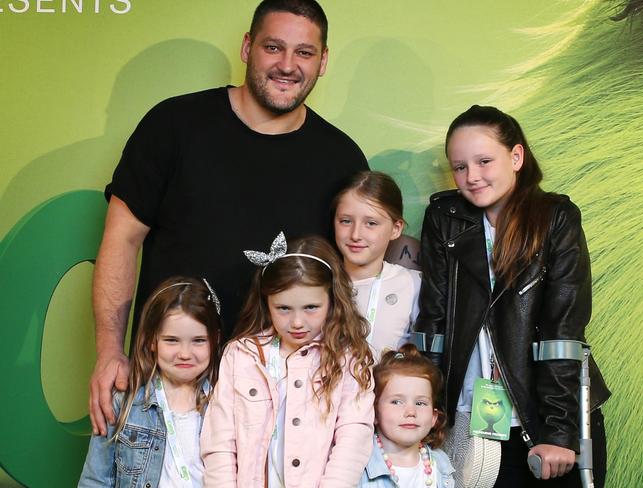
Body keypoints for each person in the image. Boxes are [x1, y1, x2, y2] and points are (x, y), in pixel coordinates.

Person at [90, 0, 368, 438]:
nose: (288, 66)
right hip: (165, 390)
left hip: (280, 409)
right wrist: (109, 351)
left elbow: (352, 281)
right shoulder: (173, 125)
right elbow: (121, 239)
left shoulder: (342, 159)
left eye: (304, 52)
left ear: (324, 60)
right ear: (246, 47)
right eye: (273, 47)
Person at [413, 105, 610, 487]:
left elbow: (563, 329)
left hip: (548, 416)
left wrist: (558, 432)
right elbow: (433, 321)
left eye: (484, 161)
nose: (471, 177)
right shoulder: (444, 218)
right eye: (460, 167)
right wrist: (428, 412)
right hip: (474, 423)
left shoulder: (556, 217)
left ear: (516, 156)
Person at [200, 233, 375, 487]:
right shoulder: (240, 355)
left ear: (332, 301)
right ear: (266, 302)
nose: (297, 322)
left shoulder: (349, 358)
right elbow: (219, 442)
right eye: (283, 308)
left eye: (311, 308)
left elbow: (353, 438)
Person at [79, 277, 223, 487]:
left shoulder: (226, 402)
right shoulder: (123, 402)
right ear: (152, 341)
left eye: (198, 340)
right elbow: (95, 481)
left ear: (215, 339)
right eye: (171, 340)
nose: (185, 354)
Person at [333, 171, 421, 359]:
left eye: (371, 223)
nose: (355, 234)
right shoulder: (318, 282)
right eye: (346, 221)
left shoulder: (412, 284)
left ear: (396, 229)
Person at [358, 344, 455, 488]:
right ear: (374, 411)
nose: (411, 412)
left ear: (434, 417)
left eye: (420, 403)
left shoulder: (441, 464)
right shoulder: (359, 461)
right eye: (396, 402)